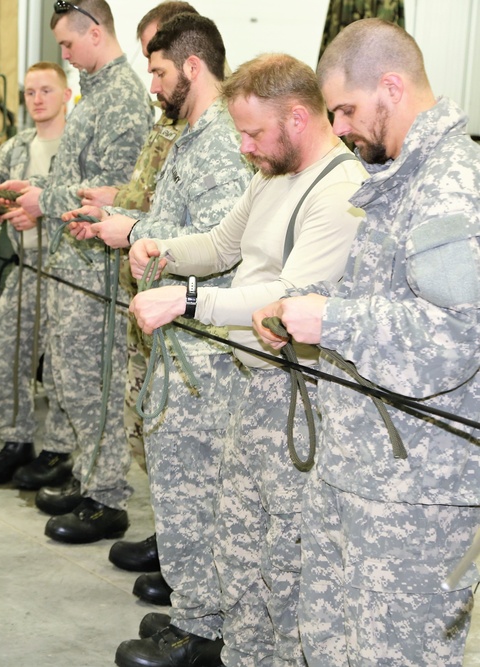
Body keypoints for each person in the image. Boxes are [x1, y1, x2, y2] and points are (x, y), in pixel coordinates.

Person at [118, 53, 367, 667]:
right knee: (238, 536)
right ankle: (238, 652)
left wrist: (188, 299)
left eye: (254, 133)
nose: (247, 147)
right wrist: (159, 247)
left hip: (298, 395)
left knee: (285, 556)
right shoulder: (272, 173)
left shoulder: (340, 191)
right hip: (254, 384)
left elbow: (289, 300)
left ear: (300, 118)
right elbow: (222, 245)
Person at [253, 19, 480, 666]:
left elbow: (456, 335)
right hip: (355, 468)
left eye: (347, 110)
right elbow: (387, 292)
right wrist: (307, 305)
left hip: (414, 496)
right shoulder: (396, 177)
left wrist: (333, 322)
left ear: (391, 86)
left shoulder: (449, 183)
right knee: (327, 642)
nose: (342, 127)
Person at [65, 13, 250, 665]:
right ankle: (193, 610)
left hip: (203, 347)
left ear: (192, 67)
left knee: (200, 487)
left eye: (161, 70)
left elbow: (220, 247)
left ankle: (206, 631)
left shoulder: (223, 139)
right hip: (178, 342)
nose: (153, 83)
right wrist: (119, 222)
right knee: (179, 485)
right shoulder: (190, 134)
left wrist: (139, 239)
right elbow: (177, 222)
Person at [0, 0, 152, 543]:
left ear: (94, 32)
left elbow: (114, 196)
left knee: (95, 386)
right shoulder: (96, 93)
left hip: (98, 269)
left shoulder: (125, 100)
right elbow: (77, 179)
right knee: (71, 378)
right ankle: (89, 479)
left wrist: (45, 198)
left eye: (67, 44)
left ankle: (106, 498)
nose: (63, 54)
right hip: (73, 261)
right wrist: (37, 200)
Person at [74, 0, 198, 582]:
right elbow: (149, 193)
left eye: (158, 67)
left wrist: (131, 223)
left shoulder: (206, 133)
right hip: (149, 291)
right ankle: (169, 535)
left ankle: (183, 554)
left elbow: (199, 230)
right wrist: (113, 202)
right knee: (148, 426)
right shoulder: (170, 124)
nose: (150, 80)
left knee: (178, 437)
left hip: (179, 302)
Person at [0, 62, 77, 486]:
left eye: (46, 91)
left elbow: (94, 201)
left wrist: (41, 216)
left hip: (70, 271)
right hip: (27, 268)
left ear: (66, 95)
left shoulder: (77, 146)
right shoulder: (19, 146)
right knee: (3, 350)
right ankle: (16, 441)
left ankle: (58, 450)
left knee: (62, 367)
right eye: (30, 92)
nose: (37, 99)